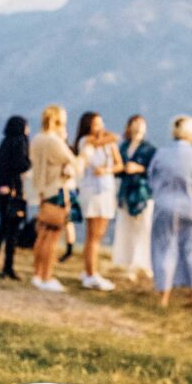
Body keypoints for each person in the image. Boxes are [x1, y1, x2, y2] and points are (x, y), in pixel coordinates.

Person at [148, 115, 192, 308]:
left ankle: (164, 295)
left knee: (164, 249)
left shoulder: (161, 154)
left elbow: (152, 178)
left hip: (166, 206)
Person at [29, 104, 81, 293]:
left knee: (42, 235)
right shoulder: (54, 142)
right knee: (52, 237)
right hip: (58, 191)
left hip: (43, 191)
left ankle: (37, 273)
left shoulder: (37, 140)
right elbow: (75, 163)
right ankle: (47, 275)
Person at [74, 112, 123, 291]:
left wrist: (107, 169)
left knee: (99, 233)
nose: (100, 127)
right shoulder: (85, 142)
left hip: (107, 190)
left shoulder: (109, 145)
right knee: (93, 234)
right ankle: (90, 272)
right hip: (92, 191)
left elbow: (120, 164)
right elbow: (99, 141)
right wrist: (110, 138)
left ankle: (91, 269)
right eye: (96, 124)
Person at [0, 115, 31, 279]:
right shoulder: (20, 142)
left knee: (2, 228)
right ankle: (7, 266)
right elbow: (22, 165)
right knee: (11, 230)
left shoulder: (5, 143)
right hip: (13, 192)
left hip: (2, 190)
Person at [112, 115, 157, 281]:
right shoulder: (123, 147)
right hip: (125, 190)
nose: (138, 127)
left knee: (143, 228)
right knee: (127, 228)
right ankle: (128, 261)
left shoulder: (149, 149)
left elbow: (155, 171)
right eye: (135, 123)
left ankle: (143, 263)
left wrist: (139, 168)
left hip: (142, 193)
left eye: (141, 124)